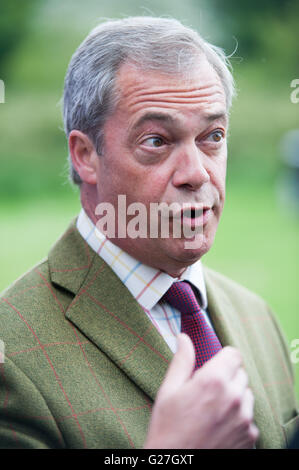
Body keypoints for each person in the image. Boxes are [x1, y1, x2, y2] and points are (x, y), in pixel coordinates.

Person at [0, 16, 298, 449]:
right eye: (157, 141)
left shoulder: (258, 317)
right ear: (86, 155)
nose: (197, 174)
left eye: (213, 136)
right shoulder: (12, 355)